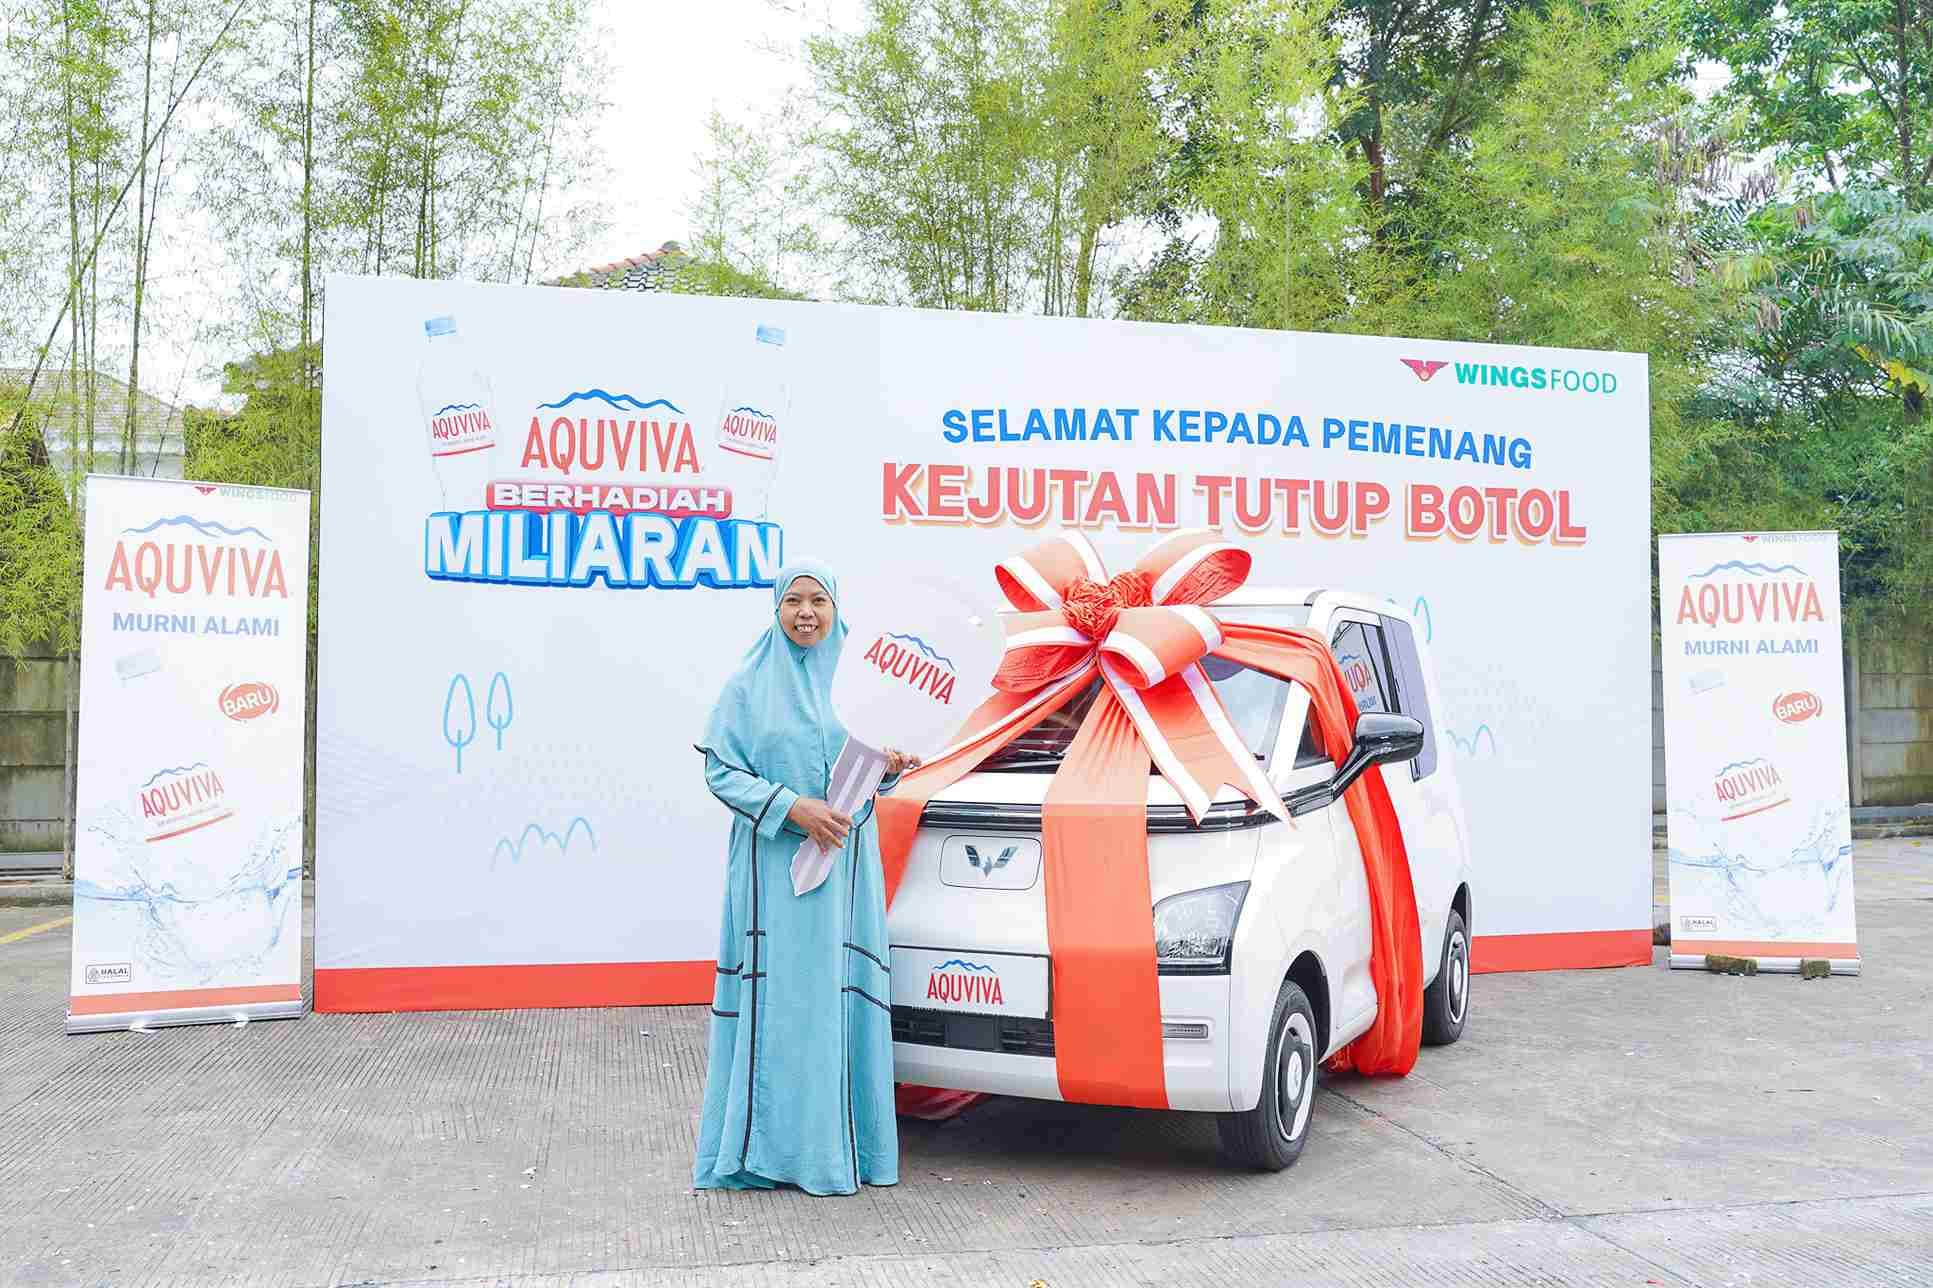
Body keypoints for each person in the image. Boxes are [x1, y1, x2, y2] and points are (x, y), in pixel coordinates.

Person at [691, 560, 920, 1196]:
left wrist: (893, 765)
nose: (807, 613)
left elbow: (870, 768)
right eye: (794, 601)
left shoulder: (862, 681)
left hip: (844, 872)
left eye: (819, 600)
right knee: (784, 1005)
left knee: (836, 1003)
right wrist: (794, 809)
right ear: (776, 608)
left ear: (836, 608)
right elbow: (721, 772)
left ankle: (840, 1151)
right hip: (773, 878)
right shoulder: (748, 683)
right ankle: (766, 1154)